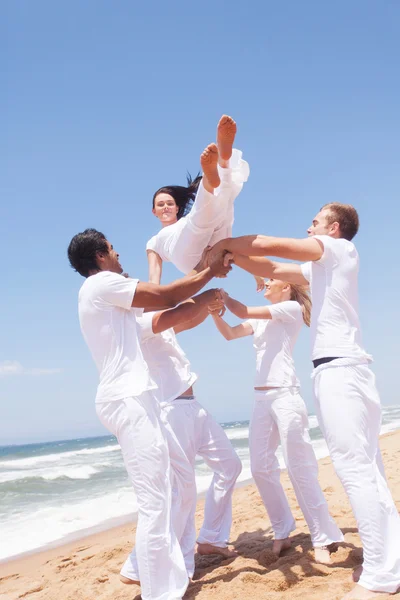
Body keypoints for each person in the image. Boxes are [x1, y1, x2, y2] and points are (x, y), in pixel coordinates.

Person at [207, 203, 400, 599]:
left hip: (340, 372)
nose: (307, 227)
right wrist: (230, 257)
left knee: (355, 471)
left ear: (332, 228)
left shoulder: (340, 249)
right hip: (345, 370)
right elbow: (273, 268)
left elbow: (277, 246)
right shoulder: (321, 269)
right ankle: (388, 558)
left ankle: (381, 577)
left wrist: (224, 242)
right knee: (369, 470)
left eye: (314, 222)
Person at [67, 228, 232, 600]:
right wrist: (208, 272)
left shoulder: (115, 307)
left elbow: (175, 311)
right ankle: (161, 591)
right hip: (127, 399)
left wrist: (205, 294)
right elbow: (167, 295)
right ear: (99, 257)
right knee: (156, 502)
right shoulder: (102, 285)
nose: (118, 254)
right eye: (112, 249)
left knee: (163, 497)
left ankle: (166, 582)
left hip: (133, 399)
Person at [210, 280, 343, 562]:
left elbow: (243, 311)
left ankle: (322, 536)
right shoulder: (262, 319)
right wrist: (214, 313)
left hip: (285, 395)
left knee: (299, 466)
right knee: (260, 467)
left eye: (272, 280)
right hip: (261, 400)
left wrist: (224, 295)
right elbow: (231, 333)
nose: (267, 283)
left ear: (287, 288)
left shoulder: (290, 309)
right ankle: (282, 528)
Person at [122, 291, 242, 584]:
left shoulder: (162, 325)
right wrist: (207, 297)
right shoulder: (138, 324)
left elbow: (189, 319)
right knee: (182, 492)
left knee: (230, 467)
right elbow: (183, 312)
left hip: (192, 407)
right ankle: (139, 567)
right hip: (171, 410)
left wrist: (211, 308)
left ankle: (211, 537)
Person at [146, 115, 249, 284]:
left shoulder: (185, 219)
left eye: (170, 204)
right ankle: (211, 178)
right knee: (198, 222)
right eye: (161, 204)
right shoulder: (154, 241)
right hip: (186, 255)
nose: (166, 207)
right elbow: (153, 277)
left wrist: (256, 274)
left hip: (214, 248)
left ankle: (223, 162)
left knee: (224, 207)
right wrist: (155, 300)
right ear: (154, 211)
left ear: (177, 208)